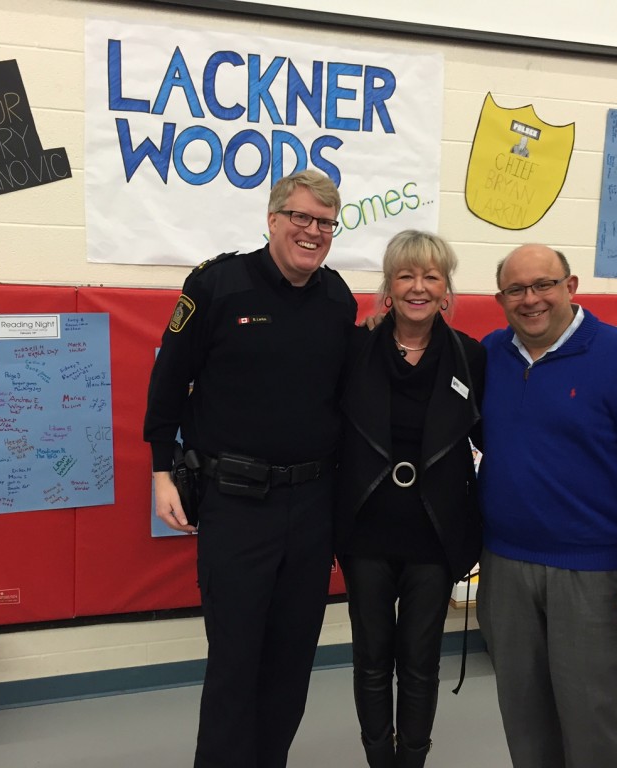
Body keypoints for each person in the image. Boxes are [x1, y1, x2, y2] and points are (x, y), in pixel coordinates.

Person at [144, 170, 357, 768]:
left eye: (325, 224)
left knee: (292, 661)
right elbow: (168, 382)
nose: (313, 232)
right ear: (273, 219)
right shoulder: (217, 285)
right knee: (236, 661)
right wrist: (162, 470)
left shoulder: (338, 298)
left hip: (313, 506)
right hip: (236, 505)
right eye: (302, 218)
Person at [477, 243, 617, 768]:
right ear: (500, 297)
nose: (531, 299)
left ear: (570, 288)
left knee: (591, 725)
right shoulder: (489, 356)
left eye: (544, 285)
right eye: (517, 289)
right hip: (505, 570)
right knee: (523, 722)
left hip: (596, 577)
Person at [337, 230, 486, 767]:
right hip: (365, 533)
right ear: (388, 287)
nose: (418, 287)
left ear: (446, 290)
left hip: (435, 536)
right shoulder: (356, 349)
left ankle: (413, 760)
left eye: (431, 276)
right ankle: (380, 758)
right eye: (406, 275)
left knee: (420, 662)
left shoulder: (471, 358)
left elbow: (493, 441)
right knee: (372, 658)